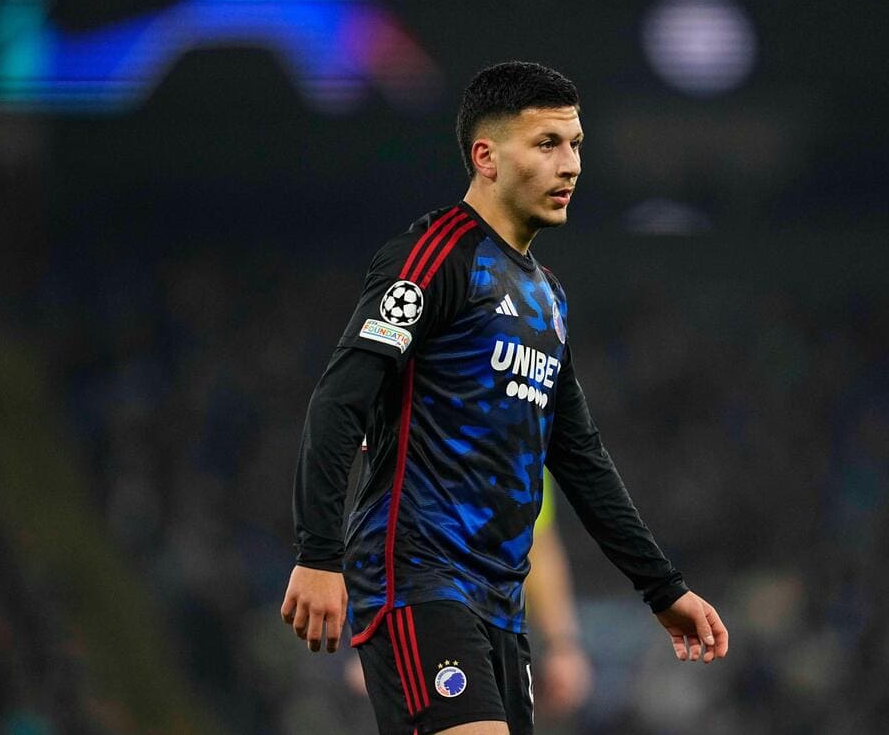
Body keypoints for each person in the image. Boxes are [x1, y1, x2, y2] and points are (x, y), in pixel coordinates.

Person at [282, 61, 728, 735]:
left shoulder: (547, 296)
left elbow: (579, 456)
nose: (570, 164)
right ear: (486, 157)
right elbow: (339, 400)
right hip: (416, 579)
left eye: (575, 144)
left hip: (499, 603)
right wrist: (319, 554)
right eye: (547, 144)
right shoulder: (435, 257)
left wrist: (662, 588)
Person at [341, 471, 594, 721]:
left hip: (493, 629)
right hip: (413, 619)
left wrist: (562, 645)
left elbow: (537, 541)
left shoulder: (526, 454)